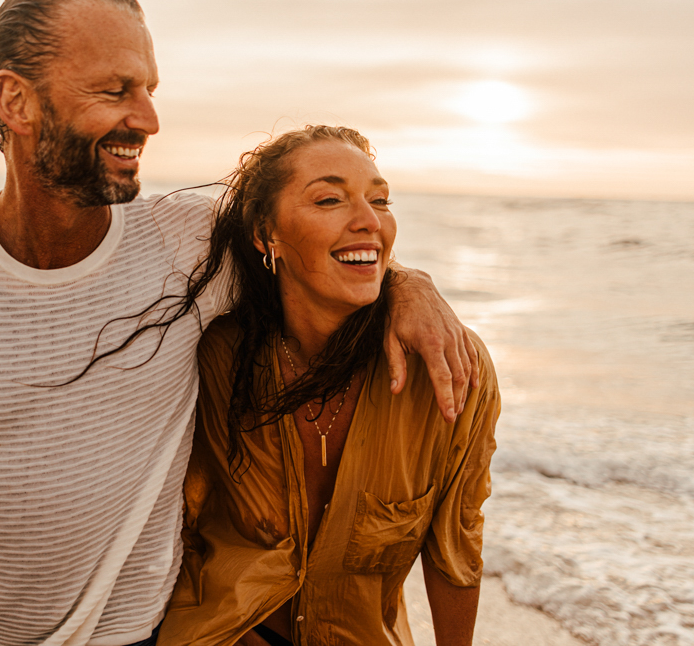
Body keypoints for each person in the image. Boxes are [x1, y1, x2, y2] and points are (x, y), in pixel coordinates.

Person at [0, 0, 479, 646]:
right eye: (115, 90)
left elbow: (317, 244)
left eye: (151, 90)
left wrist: (406, 285)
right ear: (16, 99)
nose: (149, 119)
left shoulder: (191, 244)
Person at [156, 126, 500, 646]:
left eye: (380, 200)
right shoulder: (215, 354)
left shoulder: (448, 369)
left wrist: (409, 280)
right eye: (329, 199)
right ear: (265, 235)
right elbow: (169, 517)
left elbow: (458, 544)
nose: (368, 221)